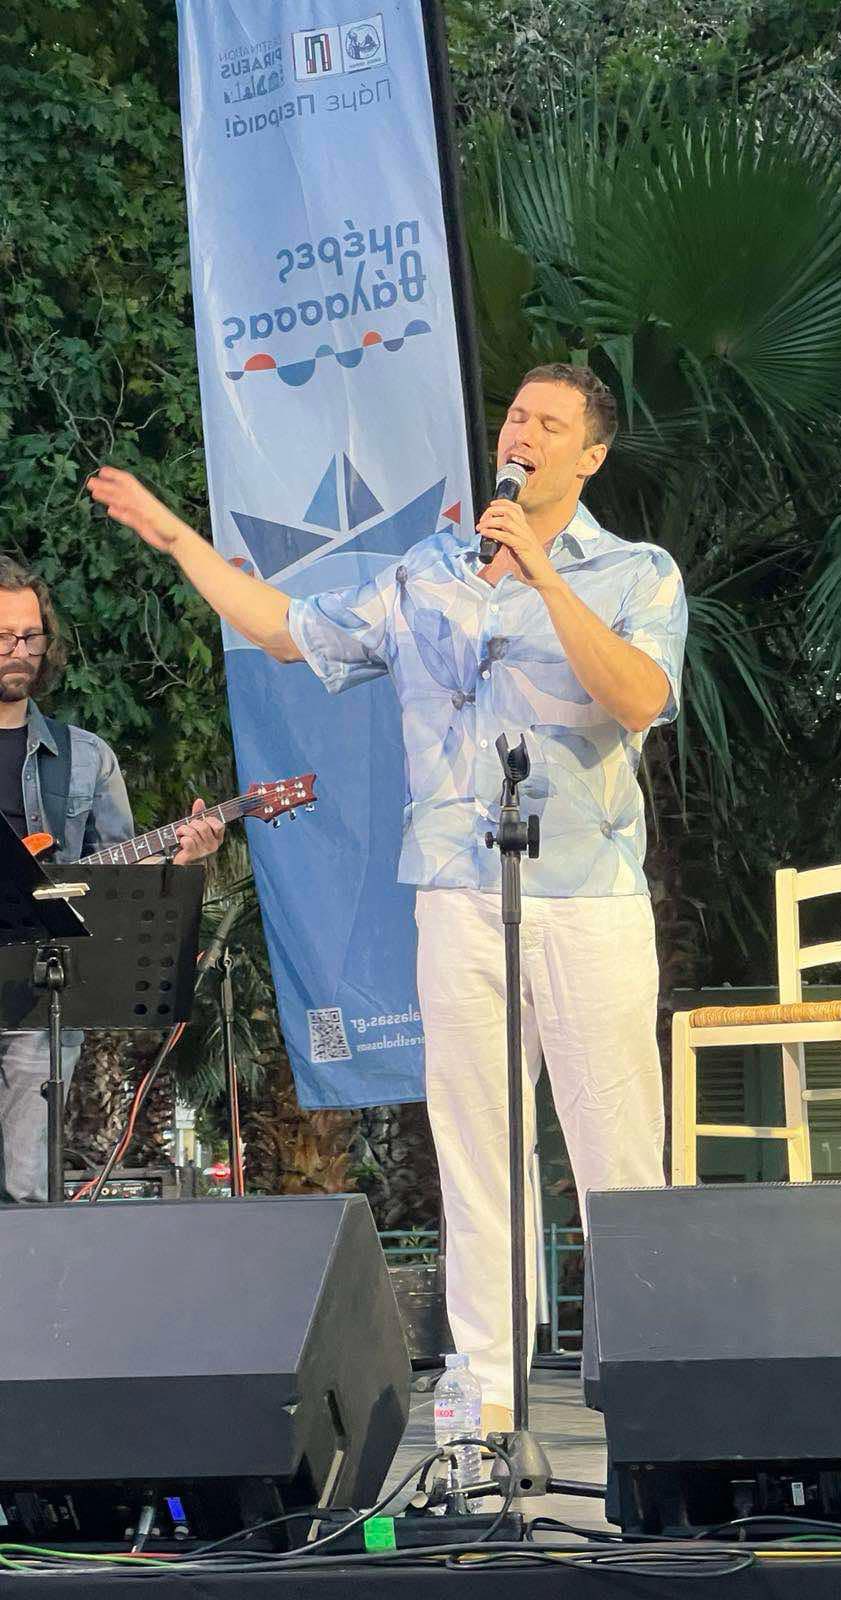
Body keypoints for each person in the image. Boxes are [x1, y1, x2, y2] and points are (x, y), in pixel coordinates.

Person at [87, 363, 688, 1433]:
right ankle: (488, 1398)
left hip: (586, 897)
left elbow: (641, 697)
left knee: (617, 1150)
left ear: (591, 456)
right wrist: (177, 539)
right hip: (457, 894)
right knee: (477, 1148)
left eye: (550, 424)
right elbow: (287, 629)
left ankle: (654, 1389)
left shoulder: (636, 571)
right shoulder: (427, 574)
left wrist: (547, 577)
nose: (523, 433)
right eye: (516, 415)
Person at [0, 556, 225, 1202]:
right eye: (4, 636)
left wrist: (182, 861)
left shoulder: (85, 757)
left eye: (31, 636)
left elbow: (118, 877)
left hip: (39, 999)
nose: (20, 651)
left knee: (26, 1189)